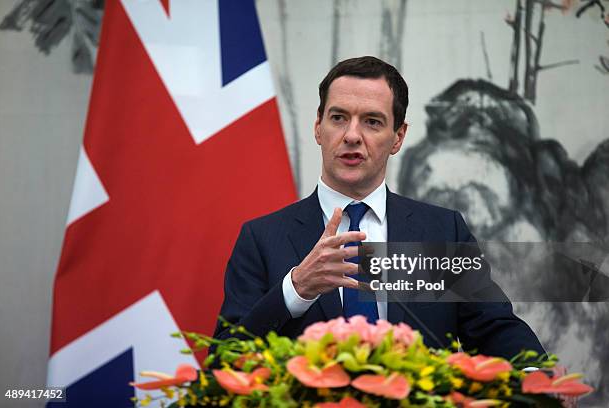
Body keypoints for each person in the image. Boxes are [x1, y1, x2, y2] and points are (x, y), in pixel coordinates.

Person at [213, 56, 544, 358]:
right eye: (338, 117)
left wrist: (536, 375)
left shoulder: (441, 230)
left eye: (372, 121)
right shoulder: (262, 238)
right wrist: (297, 287)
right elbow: (225, 360)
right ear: (318, 127)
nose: (352, 135)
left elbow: (493, 327)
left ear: (398, 137)